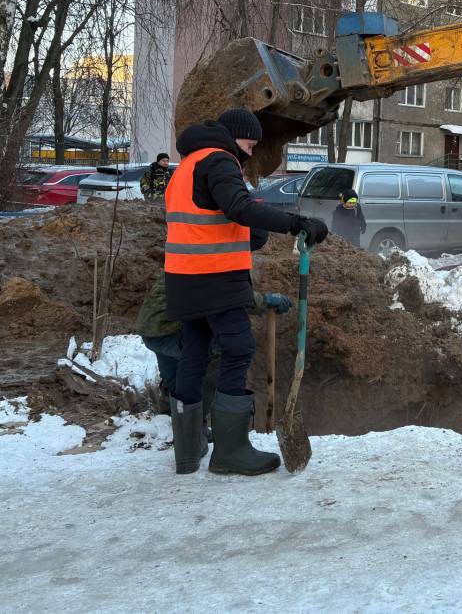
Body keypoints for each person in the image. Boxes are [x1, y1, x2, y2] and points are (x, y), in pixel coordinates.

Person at [165, 108, 328, 477]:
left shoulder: (189, 163)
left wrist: (249, 232)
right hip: (216, 276)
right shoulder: (220, 160)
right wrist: (296, 223)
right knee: (238, 348)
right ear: (233, 136)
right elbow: (238, 206)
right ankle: (231, 451)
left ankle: (188, 449)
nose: (251, 152)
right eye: (249, 144)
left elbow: (210, 215)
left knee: (195, 352)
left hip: (183, 276)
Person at [136, 268, 291, 416]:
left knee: (176, 379)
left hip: (153, 328)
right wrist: (264, 301)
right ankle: (200, 417)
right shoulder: (211, 261)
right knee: (219, 349)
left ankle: (172, 417)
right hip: (169, 329)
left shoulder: (186, 257)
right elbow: (229, 295)